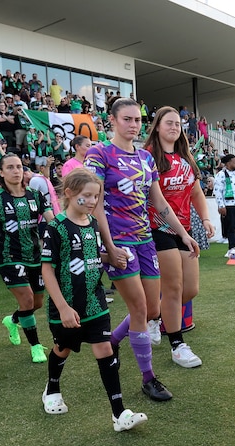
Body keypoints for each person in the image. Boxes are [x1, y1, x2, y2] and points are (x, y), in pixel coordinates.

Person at [86, 98, 198, 401]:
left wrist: (183, 234)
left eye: (137, 120)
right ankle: (148, 378)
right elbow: (93, 202)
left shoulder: (146, 159)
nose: (133, 125)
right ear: (112, 120)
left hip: (145, 239)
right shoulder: (99, 154)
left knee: (151, 310)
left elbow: (159, 203)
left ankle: (114, 341)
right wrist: (107, 246)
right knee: (138, 308)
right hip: (118, 242)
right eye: (127, 119)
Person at [40, 168, 148, 430]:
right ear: (68, 193)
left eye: (96, 196)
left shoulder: (94, 224)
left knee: (104, 349)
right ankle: (51, 389)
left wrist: (111, 257)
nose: (91, 201)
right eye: (86, 195)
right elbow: (47, 269)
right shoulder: (55, 228)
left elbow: (90, 256)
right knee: (62, 349)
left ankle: (119, 414)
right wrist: (63, 307)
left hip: (94, 301)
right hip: (66, 306)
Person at [143, 106, 214, 368]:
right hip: (157, 227)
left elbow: (196, 194)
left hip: (185, 229)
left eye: (177, 124)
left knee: (190, 289)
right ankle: (177, 344)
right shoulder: (148, 156)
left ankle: (153, 316)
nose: (174, 127)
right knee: (172, 288)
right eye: (168, 123)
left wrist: (205, 218)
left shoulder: (186, 159)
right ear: (157, 127)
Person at [0, 153, 54, 363]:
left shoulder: (35, 195)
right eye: (10, 167)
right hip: (9, 256)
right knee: (28, 299)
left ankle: (12, 320)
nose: (16, 171)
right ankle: (36, 346)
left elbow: (51, 220)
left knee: (36, 303)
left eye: (19, 167)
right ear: (1, 173)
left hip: (35, 256)